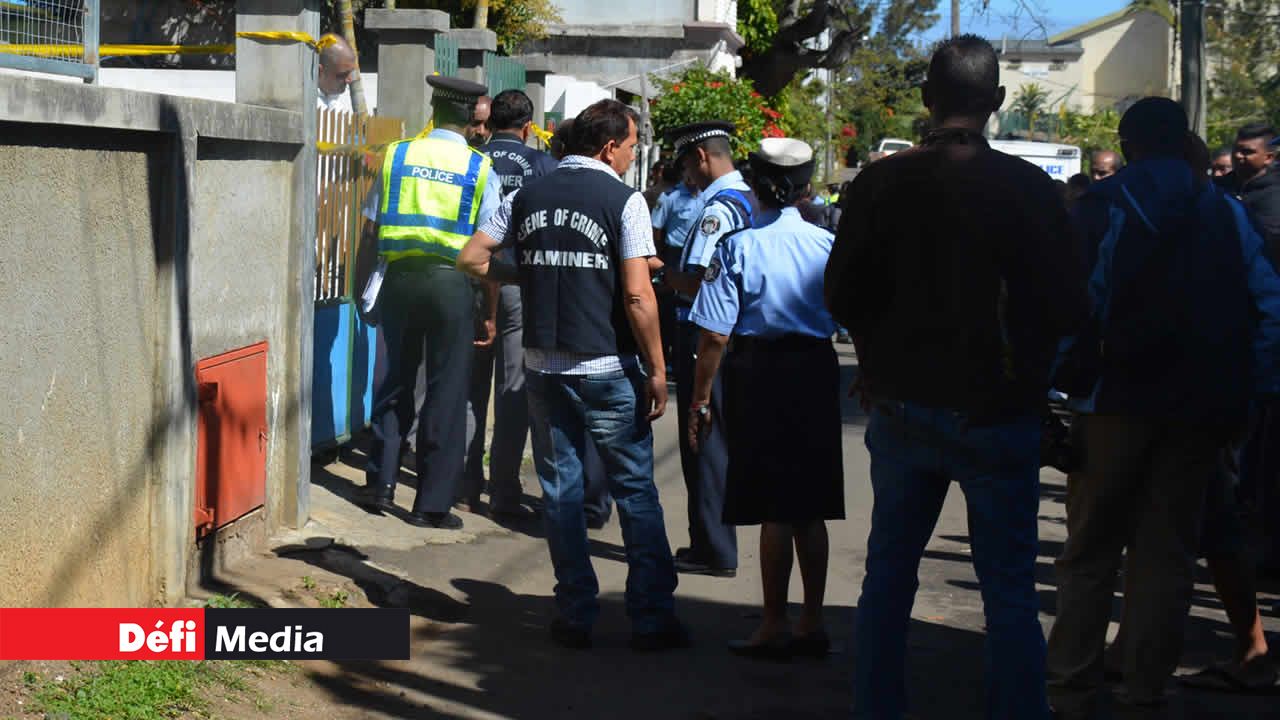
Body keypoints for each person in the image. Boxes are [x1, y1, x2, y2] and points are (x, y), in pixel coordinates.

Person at [826, 35, 1089, 719]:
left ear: (925, 99)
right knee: (1008, 595)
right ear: (998, 101)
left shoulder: (880, 183)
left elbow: (842, 296)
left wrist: (876, 356)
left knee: (887, 578)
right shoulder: (1033, 190)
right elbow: (1067, 306)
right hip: (1001, 414)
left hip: (903, 407)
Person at [1046, 98, 1280, 717]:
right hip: (1201, 408)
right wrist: (1251, 392)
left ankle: (1070, 690)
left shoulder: (1100, 204)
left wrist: (1052, 388)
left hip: (1113, 402)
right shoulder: (1225, 211)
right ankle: (1144, 692)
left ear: (1126, 144)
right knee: (1166, 554)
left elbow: (1068, 306)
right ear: (1185, 142)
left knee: (1091, 551)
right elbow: (1268, 307)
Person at [457, 99, 687, 651]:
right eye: (632, 146)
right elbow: (636, 293)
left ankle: (575, 614)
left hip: (543, 366)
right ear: (609, 147)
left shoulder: (525, 194)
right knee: (634, 492)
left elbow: (472, 258)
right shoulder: (624, 201)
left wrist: (528, 274)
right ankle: (651, 618)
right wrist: (658, 369)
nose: (634, 156)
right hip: (606, 366)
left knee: (560, 493)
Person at [688, 137, 844, 660]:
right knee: (812, 506)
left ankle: (774, 623)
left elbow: (713, 335)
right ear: (805, 189)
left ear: (753, 185)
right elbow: (851, 316)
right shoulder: (826, 246)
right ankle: (813, 622)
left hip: (760, 372)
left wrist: (700, 398)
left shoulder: (738, 245)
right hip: (817, 372)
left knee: (776, 507)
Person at [353, 76, 501, 530]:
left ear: (434, 112)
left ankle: (379, 485)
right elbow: (487, 246)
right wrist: (489, 313)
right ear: (472, 119)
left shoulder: (397, 155)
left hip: (399, 279)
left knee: (395, 380)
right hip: (452, 286)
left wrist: (362, 290)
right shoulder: (481, 169)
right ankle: (431, 505)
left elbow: (371, 228)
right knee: (446, 390)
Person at [659, 120, 758, 579]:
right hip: (737, 334)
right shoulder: (750, 199)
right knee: (716, 437)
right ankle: (710, 542)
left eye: (687, 165)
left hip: (705, 332)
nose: (686, 176)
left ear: (700, 157)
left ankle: (714, 547)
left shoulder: (717, 208)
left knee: (703, 436)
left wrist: (653, 269)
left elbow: (695, 280)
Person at [459, 89, 560, 521]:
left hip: (473, 277)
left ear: (488, 121)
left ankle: (463, 488)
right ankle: (503, 491)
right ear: (526, 127)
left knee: (470, 388)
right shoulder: (544, 167)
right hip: (518, 282)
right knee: (513, 389)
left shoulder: (472, 161)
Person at [1219, 124, 1280, 262]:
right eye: (1236, 149)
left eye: (1247, 152)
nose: (1238, 155)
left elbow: (1270, 241)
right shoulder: (1218, 185)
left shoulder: (1275, 194)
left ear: (1268, 157)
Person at [317, 34, 356, 112]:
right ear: (318, 72)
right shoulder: (307, 106)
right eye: (342, 75)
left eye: (350, 72)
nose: (349, 80)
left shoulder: (332, 97)